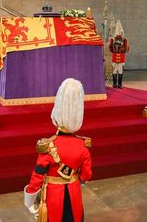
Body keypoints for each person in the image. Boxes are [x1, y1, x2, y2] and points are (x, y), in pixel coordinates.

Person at [24, 78, 92, 222]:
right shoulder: (82, 146)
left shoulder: (48, 146)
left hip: (53, 197)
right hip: (74, 193)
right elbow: (86, 175)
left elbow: (37, 176)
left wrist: (29, 199)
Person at [109, 19, 129, 89]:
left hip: (120, 58)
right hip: (115, 58)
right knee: (115, 71)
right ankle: (115, 84)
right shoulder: (113, 40)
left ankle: (119, 84)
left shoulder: (124, 40)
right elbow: (111, 49)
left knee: (119, 71)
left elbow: (126, 49)